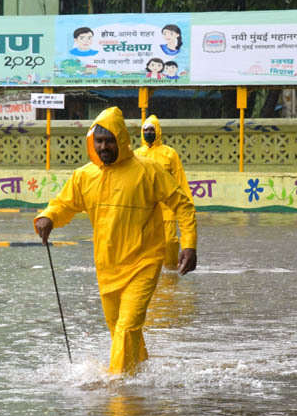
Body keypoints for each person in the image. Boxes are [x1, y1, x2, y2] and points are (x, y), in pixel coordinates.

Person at [34, 107, 197, 375]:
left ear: (121, 139)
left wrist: (189, 244)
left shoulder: (149, 171)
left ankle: (116, 389)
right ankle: (140, 374)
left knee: (127, 326)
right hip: (107, 267)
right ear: (92, 142)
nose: (103, 146)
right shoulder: (84, 176)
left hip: (144, 263)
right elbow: (64, 204)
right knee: (119, 329)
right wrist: (48, 217)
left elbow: (183, 204)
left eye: (109, 140)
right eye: (98, 140)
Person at [134, 115, 193, 270]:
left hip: (167, 208)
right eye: (145, 130)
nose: (148, 132)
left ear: (158, 131)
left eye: (151, 129)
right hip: (144, 209)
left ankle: (171, 274)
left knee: (169, 243)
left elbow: (180, 180)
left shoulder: (170, 154)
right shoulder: (136, 155)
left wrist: (188, 204)